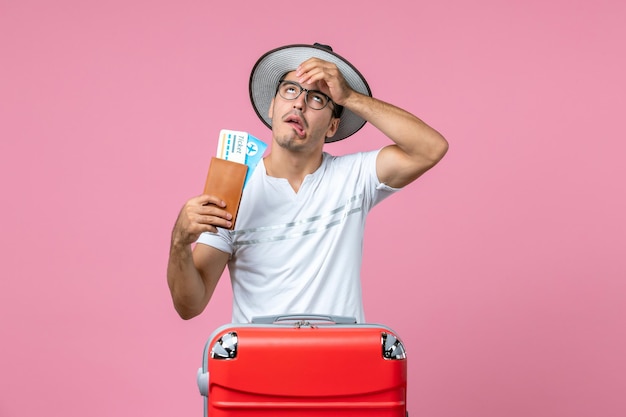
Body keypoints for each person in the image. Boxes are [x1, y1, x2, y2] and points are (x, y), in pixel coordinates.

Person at [167, 43, 448, 323]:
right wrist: (179, 242)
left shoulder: (354, 177)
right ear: (272, 106)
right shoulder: (234, 192)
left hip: (340, 361)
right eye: (290, 90)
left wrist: (350, 97)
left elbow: (430, 148)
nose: (299, 103)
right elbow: (189, 305)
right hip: (260, 364)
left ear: (332, 126)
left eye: (317, 98)